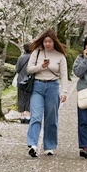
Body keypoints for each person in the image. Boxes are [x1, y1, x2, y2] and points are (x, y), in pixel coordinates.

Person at [24, 28, 68, 157]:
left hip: (53, 87)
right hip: (38, 86)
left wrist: (64, 92)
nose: (47, 44)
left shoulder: (60, 56)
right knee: (36, 116)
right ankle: (32, 144)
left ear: (54, 42)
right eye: (45, 42)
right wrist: (41, 66)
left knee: (51, 118)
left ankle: (49, 146)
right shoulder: (37, 53)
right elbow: (29, 69)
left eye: (49, 41)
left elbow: (64, 75)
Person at [14, 45, 33, 124]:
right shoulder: (33, 57)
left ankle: (22, 116)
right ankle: (28, 115)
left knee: (21, 97)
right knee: (29, 97)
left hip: (21, 80)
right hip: (30, 81)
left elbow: (17, 69)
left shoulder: (21, 58)